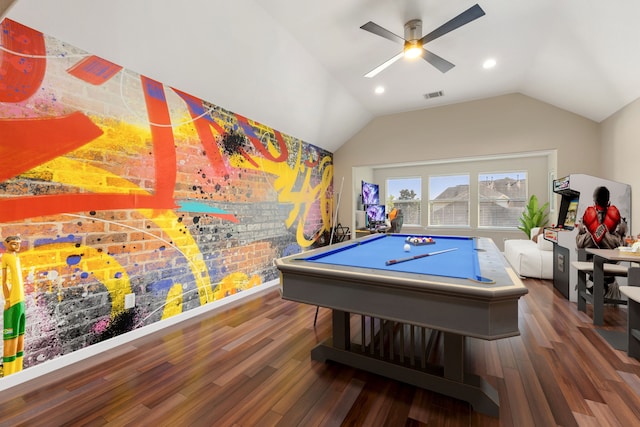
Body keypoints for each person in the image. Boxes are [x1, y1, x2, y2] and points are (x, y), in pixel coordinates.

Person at [576, 186, 626, 296]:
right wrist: (601, 232)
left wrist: (597, 232)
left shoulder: (617, 219)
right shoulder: (588, 218)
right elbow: (579, 244)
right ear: (609, 201)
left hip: (608, 274)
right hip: (596, 272)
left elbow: (621, 246)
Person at [2, 235, 25, 376]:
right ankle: (9, 373)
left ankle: (18, 371)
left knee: (20, 337)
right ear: (6, 244)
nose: (16, 246)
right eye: (13, 243)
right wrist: (8, 300)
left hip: (21, 301)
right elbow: (3, 281)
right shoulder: (5, 257)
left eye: (18, 243)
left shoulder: (16, 257)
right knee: (11, 338)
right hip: (14, 301)